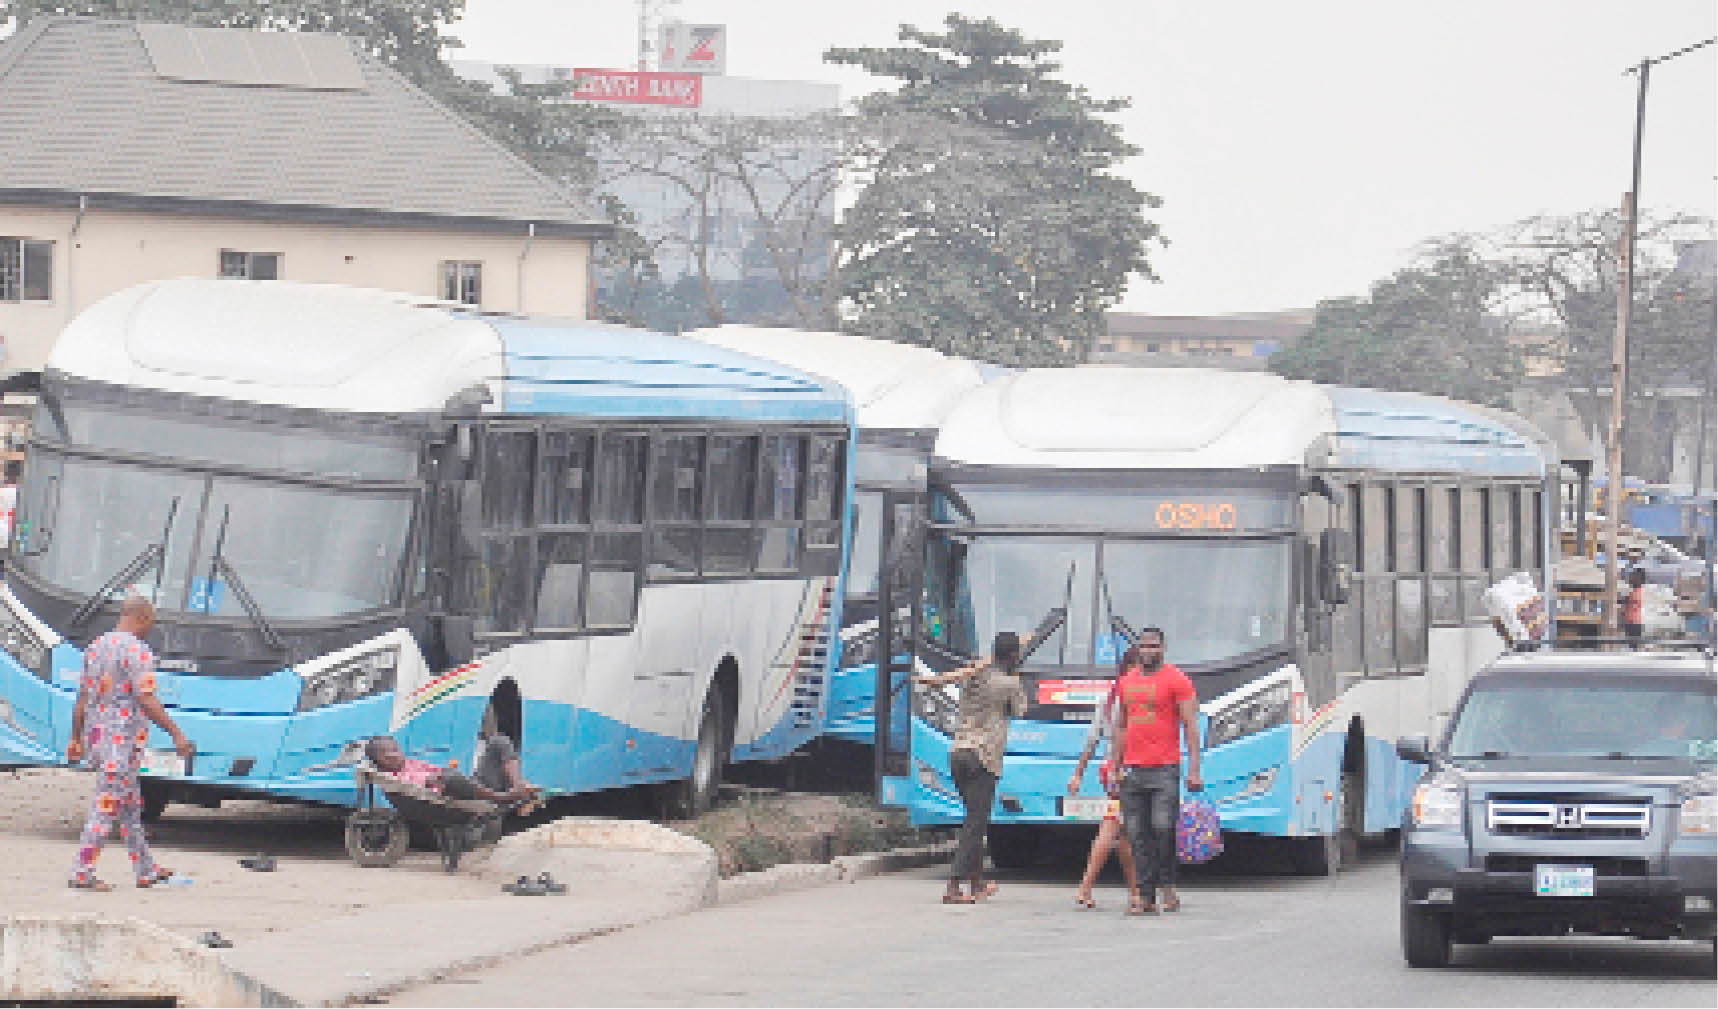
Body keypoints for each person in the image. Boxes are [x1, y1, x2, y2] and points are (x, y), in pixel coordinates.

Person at [66, 596, 194, 891]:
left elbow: (82, 700)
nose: (151, 628)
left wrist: (76, 738)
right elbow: (146, 698)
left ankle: (146, 869)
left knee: (130, 806)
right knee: (106, 804)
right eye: (152, 622)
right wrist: (176, 732)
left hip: (98, 738)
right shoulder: (139, 651)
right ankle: (82, 870)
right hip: (120, 742)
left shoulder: (95, 647)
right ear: (143, 617)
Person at [914, 630, 1031, 905]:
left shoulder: (972, 676)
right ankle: (954, 886)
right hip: (983, 756)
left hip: (958, 752)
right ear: (1013, 656)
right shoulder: (1008, 683)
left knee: (973, 821)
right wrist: (1017, 678)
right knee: (975, 824)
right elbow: (1020, 710)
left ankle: (977, 884)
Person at [1104, 629, 1202, 915]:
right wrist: (1114, 767)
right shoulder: (1126, 682)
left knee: (1163, 828)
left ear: (1163, 648)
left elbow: (1190, 726)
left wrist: (1194, 769)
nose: (1147, 650)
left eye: (1153, 646)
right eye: (1143, 646)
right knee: (1136, 835)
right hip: (1132, 772)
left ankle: (1168, 885)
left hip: (1165, 770)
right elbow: (1120, 727)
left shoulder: (1177, 680)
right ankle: (1145, 898)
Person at [1067, 680, 1138, 909]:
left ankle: (1133, 891)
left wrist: (1078, 773)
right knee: (1114, 829)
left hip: (1110, 770)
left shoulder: (1107, 699)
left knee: (1120, 831)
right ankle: (1087, 887)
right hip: (1128, 769)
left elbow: (1092, 740)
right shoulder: (1136, 698)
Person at [364, 735, 538, 803]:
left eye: (395, 749)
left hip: (471, 787)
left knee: (499, 742)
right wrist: (441, 776)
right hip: (455, 796)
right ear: (379, 761)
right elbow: (432, 781)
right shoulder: (393, 778)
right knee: (450, 776)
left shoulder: (411, 763)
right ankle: (505, 797)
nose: (394, 755)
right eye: (386, 754)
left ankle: (518, 787)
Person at [1622, 568, 1646, 645]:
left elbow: (1630, 602)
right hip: (1631, 622)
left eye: (1634, 576)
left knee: (1633, 646)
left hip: (1634, 623)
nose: (1631, 578)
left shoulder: (1638, 592)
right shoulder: (1634, 591)